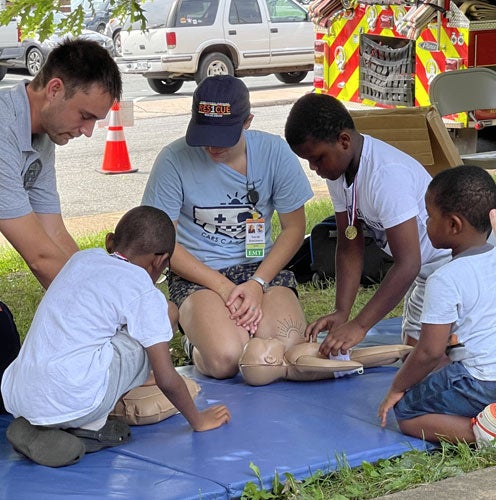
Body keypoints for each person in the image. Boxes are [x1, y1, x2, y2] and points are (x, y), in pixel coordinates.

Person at [1, 206, 231, 468]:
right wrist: (199, 421)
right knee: (166, 312)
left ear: (110, 241)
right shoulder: (142, 289)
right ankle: (86, 430)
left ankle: (45, 424)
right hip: (74, 398)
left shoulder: (80, 260)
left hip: (20, 394)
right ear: (160, 261)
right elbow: (167, 379)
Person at [142, 75, 314, 379]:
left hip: (261, 268)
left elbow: (294, 228)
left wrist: (258, 283)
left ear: (247, 122)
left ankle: (227, 331)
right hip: (199, 275)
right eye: (204, 135)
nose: (211, 147)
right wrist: (223, 288)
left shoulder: (275, 153)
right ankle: (195, 343)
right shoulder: (173, 160)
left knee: (284, 350)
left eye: (222, 137)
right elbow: (163, 241)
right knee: (227, 360)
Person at [0, 39, 124, 412]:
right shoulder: (3, 128)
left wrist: (109, 288)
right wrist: (105, 314)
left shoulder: (43, 135)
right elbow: (38, 256)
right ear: (54, 89)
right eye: (85, 116)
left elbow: (54, 236)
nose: (88, 131)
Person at [284, 93, 450, 357]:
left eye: (317, 158)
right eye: (308, 161)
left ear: (344, 141)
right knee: (412, 356)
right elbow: (349, 246)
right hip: (424, 276)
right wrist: (342, 312)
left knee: (436, 360)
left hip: (454, 269)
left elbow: (408, 263)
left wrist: (360, 326)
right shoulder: (339, 169)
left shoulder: (386, 174)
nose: (314, 168)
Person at [378, 165, 496, 443]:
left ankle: (486, 433)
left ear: (453, 225)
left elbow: (429, 352)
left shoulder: (444, 278)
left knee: (406, 411)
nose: (424, 223)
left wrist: (397, 388)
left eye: (429, 216)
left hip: (479, 380)